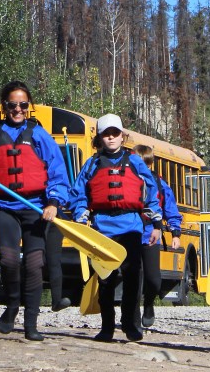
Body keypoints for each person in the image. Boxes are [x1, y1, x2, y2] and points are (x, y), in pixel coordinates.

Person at [0, 81, 70, 341]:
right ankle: (13, 305)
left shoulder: (39, 134)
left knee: (35, 265)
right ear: (5, 106)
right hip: (3, 206)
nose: (18, 110)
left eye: (23, 105)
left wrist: (53, 203)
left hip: (35, 206)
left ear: (29, 107)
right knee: (9, 260)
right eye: (12, 105)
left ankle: (31, 324)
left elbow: (58, 172)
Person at [69, 114, 163, 342]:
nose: (111, 138)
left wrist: (156, 223)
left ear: (122, 136)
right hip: (102, 227)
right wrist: (80, 213)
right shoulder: (92, 164)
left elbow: (151, 191)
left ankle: (130, 324)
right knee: (106, 279)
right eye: (106, 134)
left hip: (131, 226)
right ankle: (107, 326)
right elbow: (78, 193)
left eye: (115, 133)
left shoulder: (135, 162)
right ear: (100, 138)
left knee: (132, 276)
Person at [131, 144, 182, 328]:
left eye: (146, 163)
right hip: (130, 233)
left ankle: (149, 303)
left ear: (151, 164)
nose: (142, 167)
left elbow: (170, 209)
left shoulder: (159, 184)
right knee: (133, 277)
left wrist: (175, 233)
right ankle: (133, 316)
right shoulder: (127, 181)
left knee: (153, 279)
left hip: (151, 233)